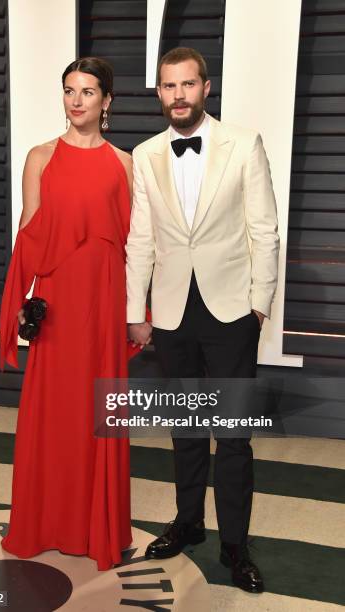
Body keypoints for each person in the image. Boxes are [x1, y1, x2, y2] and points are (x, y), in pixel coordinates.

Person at [126, 47, 280, 593]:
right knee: (186, 428)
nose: (178, 96)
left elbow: (264, 228)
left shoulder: (244, 143)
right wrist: (135, 313)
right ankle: (187, 522)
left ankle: (236, 547)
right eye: (168, 87)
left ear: (205, 88)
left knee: (233, 436)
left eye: (187, 85)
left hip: (232, 310)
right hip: (170, 313)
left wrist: (260, 301)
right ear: (160, 93)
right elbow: (140, 238)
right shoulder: (144, 154)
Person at [0, 57, 135, 570]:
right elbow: (29, 233)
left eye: (88, 91)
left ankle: (97, 529)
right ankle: (44, 522)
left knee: (97, 413)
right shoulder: (40, 157)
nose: (76, 100)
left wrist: (138, 309)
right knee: (53, 414)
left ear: (107, 101)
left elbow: (133, 244)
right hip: (56, 303)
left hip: (103, 302)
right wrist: (17, 302)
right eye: (69, 90)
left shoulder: (123, 163)